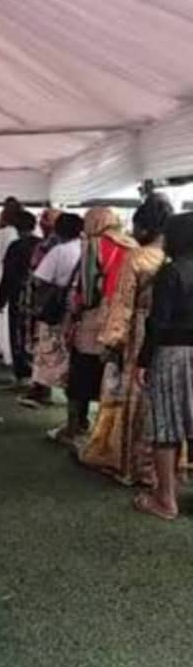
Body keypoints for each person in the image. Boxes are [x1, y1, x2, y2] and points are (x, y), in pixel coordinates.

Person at [79, 193, 174, 485]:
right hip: (170, 334)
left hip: (139, 332)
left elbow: (122, 305)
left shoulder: (137, 257)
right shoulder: (173, 257)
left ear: (144, 227)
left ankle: (131, 462)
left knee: (133, 394)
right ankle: (162, 467)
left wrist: (112, 341)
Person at [55, 207, 138, 446]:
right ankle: (109, 435)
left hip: (95, 319)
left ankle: (75, 426)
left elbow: (88, 292)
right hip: (123, 320)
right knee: (111, 375)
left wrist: (74, 310)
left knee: (81, 373)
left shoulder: (94, 246)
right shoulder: (132, 245)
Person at [133, 212, 193, 520]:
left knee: (167, 427)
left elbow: (157, 322)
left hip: (173, 353)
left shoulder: (170, 272)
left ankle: (165, 499)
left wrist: (143, 360)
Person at [19, 212, 84, 410]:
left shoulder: (59, 251)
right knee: (70, 354)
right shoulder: (86, 248)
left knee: (47, 349)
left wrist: (35, 302)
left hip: (56, 307)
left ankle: (41, 391)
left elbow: (41, 279)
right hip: (77, 309)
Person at [0, 210, 41, 384]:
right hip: (38, 298)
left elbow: (7, 274)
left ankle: (21, 372)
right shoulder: (42, 244)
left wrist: (1, 298)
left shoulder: (15, 247)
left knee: (17, 332)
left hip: (19, 295)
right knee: (36, 333)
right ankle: (37, 372)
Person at [0, 197, 22, 365]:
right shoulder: (23, 232)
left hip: (1, 275)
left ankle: (5, 351)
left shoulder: (1, 233)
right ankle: (13, 352)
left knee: (2, 314)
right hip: (19, 279)